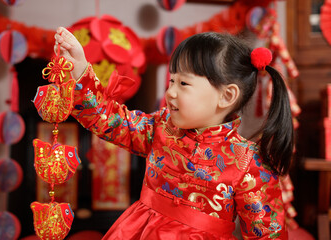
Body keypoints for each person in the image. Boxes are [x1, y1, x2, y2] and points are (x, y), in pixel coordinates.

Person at [54, 27, 293, 239]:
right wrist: (80, 71)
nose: (170, 93)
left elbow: (267, 234)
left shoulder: (249, 164)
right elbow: (109, 120)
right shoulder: (161, 127)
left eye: (184, 84)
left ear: (227, 96)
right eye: (172, 81)